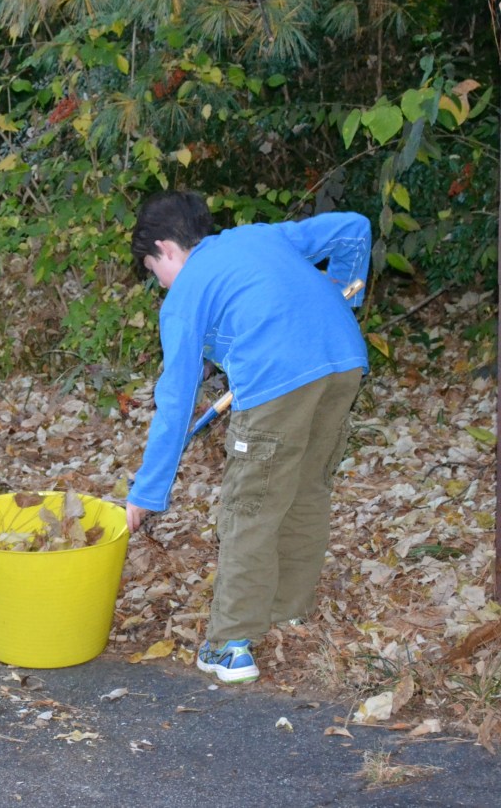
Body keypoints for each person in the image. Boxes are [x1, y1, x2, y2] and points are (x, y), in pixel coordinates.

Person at [125, 190, 370, 684]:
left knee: (250, 506)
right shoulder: (259, 237)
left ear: (165, 248)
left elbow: (174, 402)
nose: (161, 283)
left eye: (154, 270)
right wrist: (345, 291)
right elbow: (354, 227)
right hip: (343, 360)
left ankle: (230, 644)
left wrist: (146, 494)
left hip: (279, 381)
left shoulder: (185, 295)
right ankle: (289, 610)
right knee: (305, 488)